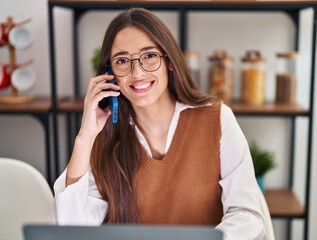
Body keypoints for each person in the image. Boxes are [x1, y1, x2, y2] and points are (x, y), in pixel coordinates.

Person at [52, 8, 266, 240]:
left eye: (150, 56)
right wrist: (85, 138)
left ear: (169, 62)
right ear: (110, 74)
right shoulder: (103, 135)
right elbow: (70, 231)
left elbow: (247, 214)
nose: (137, 72)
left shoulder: (218, 120)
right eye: (122, 61)